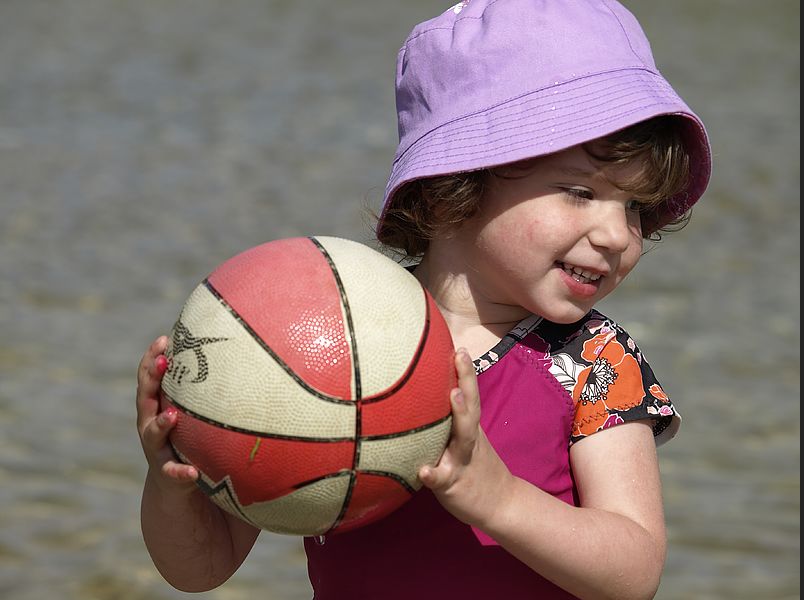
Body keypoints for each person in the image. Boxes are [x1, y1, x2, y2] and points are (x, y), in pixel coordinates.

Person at [136, 1, 712, 598]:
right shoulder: (338, 336)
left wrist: (500, 500)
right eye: (578, 192)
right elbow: (201, 570)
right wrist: (170, 481)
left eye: (636, 209)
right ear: (453, 187)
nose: (618, 235)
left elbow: (634, 573)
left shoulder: (595, 360)